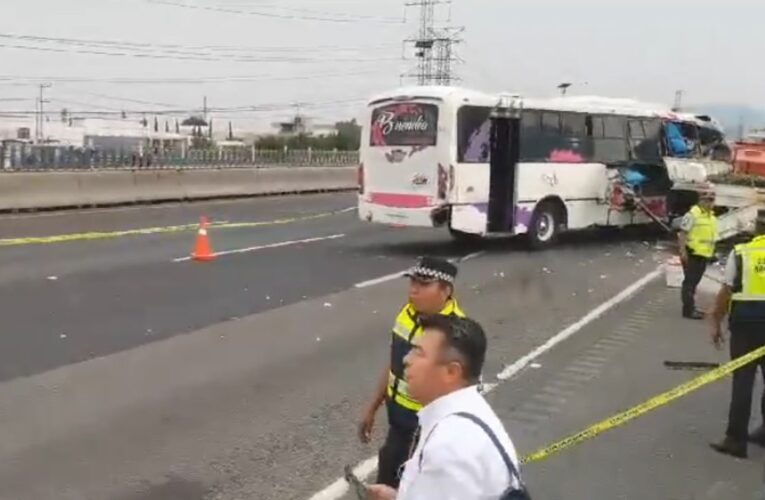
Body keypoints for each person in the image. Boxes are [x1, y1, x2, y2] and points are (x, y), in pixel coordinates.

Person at [366, 315, 526, 500]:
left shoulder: (449, 449)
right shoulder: (467, 413)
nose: (406, 359)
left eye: (419, 352)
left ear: (451, 372)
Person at [359, 256, 466, 489]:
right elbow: (394, 363)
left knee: (414, 486)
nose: (414, 290)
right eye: (413, 282)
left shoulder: (455, 333)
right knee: (387, 476)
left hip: (425, 429)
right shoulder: (406, 314)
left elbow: (460, 395)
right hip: (398, 418)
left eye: (424, 284)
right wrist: (372, 407)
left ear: (445, 291)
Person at [709, 209, 765, 458]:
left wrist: (715, 320)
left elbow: (726, 291)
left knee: (743, 381)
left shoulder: (741, 253)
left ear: (757, 229)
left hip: (746, 326)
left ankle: (735, 440)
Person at [678, 189, 718, 319]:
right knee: (689, 283)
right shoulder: (692, 214)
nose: (710, 203)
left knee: (694, 283)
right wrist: (683, 252)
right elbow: (682, 234)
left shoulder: (711, 217)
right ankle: (688, 311)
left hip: (704, 255)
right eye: (707, 200)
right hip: (693, 253)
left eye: (712, 200)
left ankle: (692, 307)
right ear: (701, 201)